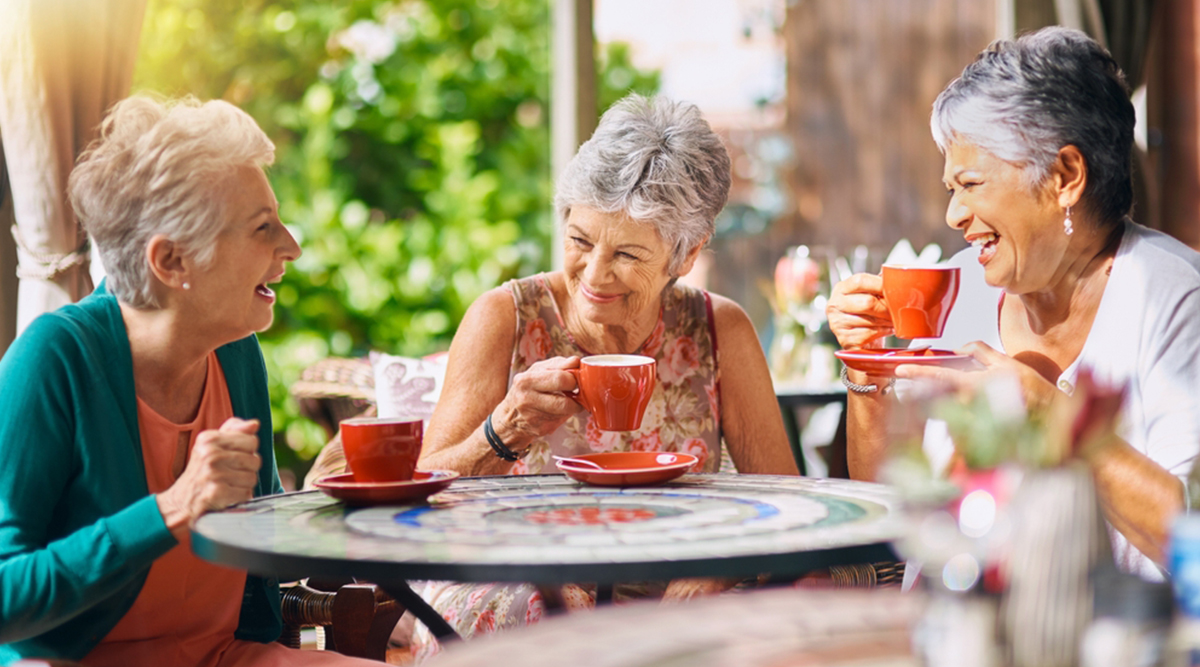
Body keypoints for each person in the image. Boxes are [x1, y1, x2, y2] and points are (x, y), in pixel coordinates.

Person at [407, 93, 797, 655]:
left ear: (685, 256)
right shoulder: (505, 317)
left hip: (673, 600)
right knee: (555, 617)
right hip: (509, 582)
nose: (594, 273)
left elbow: (786, 503)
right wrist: (505, 428)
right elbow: (417, 493)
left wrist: (718, 570)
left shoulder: (721, 330)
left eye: (628, 255)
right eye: (580, 240)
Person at [0, 96, 379, 665]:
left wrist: (357, 504)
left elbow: (262, 529)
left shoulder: (236, 352)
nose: (291, 247)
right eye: (262, 228)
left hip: (225, 655)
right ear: (172, 261)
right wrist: (172, 508)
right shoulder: (54, 359)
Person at [826, 26, 1200, 580]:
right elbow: (891, 504)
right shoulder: (955, 287)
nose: (953, 216)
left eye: (971, 183)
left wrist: (1049, 413)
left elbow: (1188, 534)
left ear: (1065, 176)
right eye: (951, 189)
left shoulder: (1171, 296)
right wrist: (867, 371)